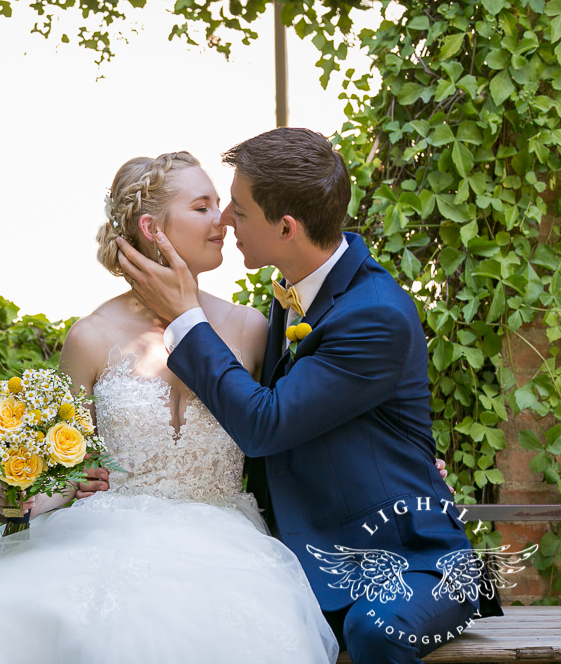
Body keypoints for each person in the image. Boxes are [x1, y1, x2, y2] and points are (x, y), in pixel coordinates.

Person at [0, 152, 339, 664]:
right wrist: (27, 493)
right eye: (202, 207)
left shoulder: (251, 328)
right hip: (107, 537)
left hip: (232, 550)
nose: (222, 220)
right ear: (152, 228)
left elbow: (278, 428)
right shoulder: (91, 337)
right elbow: (66, 471)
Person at [115, 128, 503, 664]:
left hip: (410, 560)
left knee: (375, 629)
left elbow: (264, 424)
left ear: (286, 228)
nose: (226, 219)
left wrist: (186, 316)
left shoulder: (375, 313)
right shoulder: (292, 290)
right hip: (309, 556)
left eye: (239, 210)